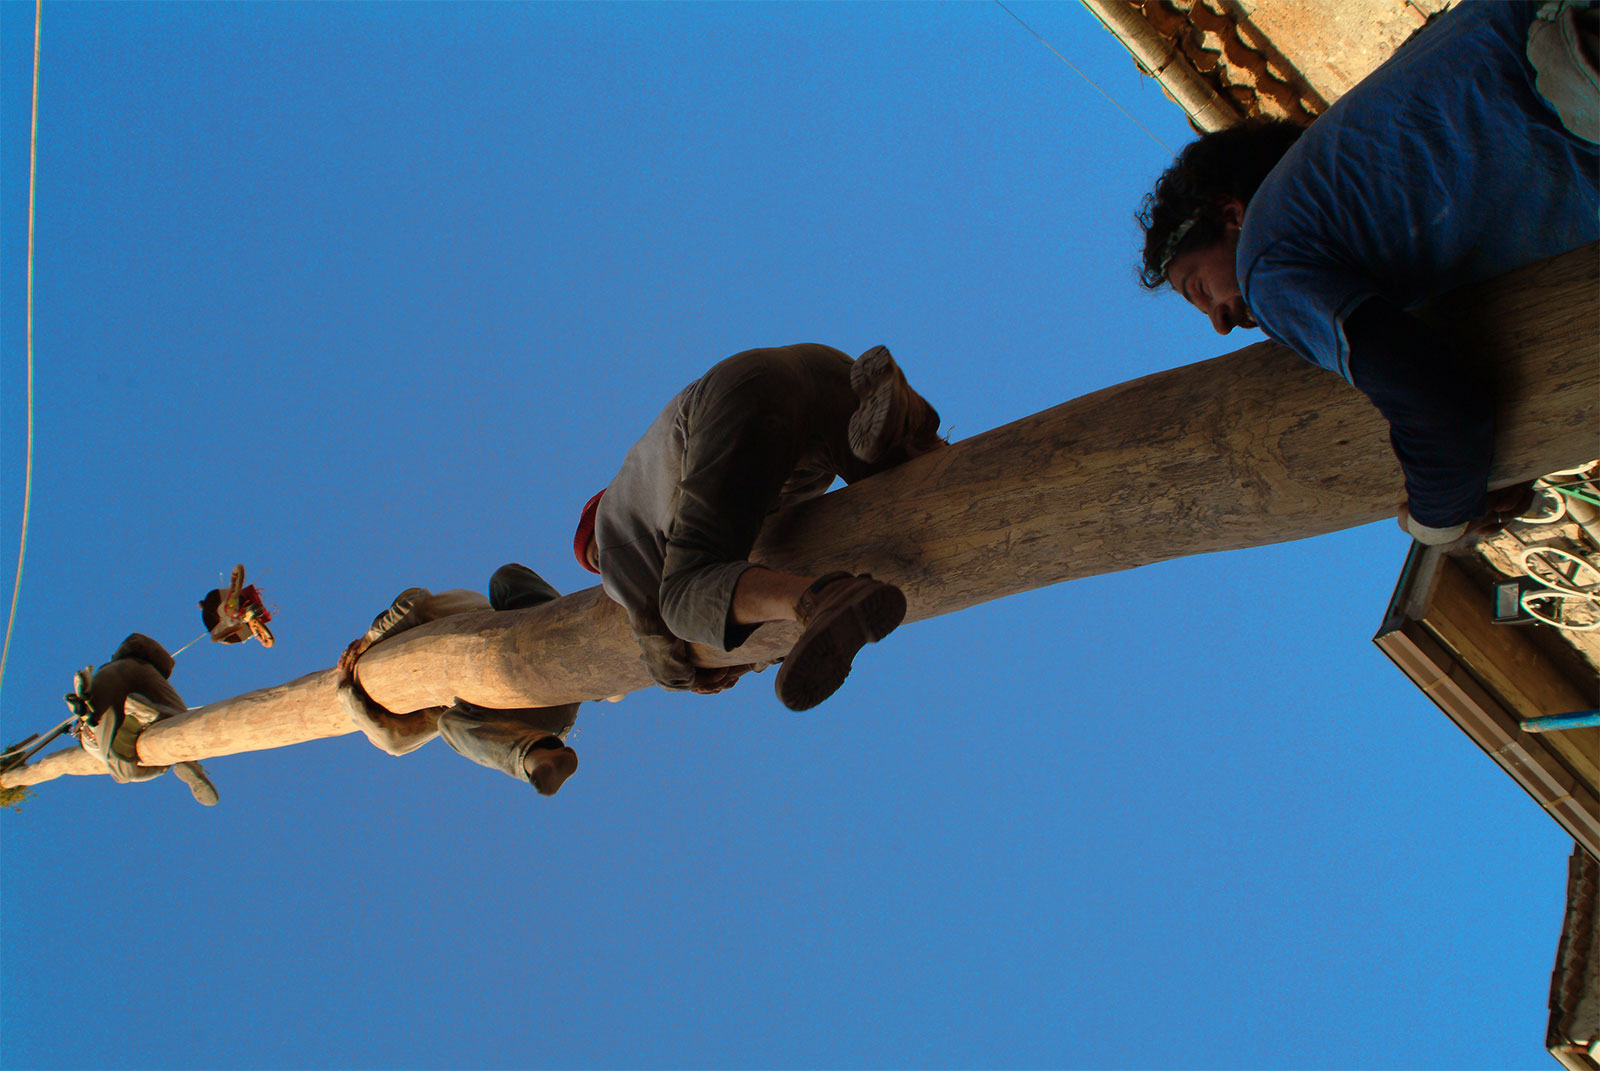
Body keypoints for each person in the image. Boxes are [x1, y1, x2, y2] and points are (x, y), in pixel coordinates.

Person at [1135, 0, 1598, 545]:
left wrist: (1437, 520)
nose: (1219, 321)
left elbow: (1438, 403)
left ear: (1231, 216)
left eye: (1200, 289)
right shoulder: (1374, 198)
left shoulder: (1265, 261)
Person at [574, 343, 944, 711]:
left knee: (680, 597)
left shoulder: (612, 523)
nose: (604, 566)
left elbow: (656, 636)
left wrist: (679, 676)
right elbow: (753, 590)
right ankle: (911, 426)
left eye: (596, 558)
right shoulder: (709, 496)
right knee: (910, 496)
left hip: (732, 404)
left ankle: (825, 597)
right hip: (820, 373)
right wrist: (752, 659)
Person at [335, 564, 580, 796]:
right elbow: (393, 741)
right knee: (452, 724)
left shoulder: (427, 620)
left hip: (543, 672)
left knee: (506, 578)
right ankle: (536, 758)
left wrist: (363, 650)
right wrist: (346, 686)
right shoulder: (434, 700)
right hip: (541, 708)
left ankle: (536, 754)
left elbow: (412, 602)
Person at [70, 633, 220, 806]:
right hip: (146, 677)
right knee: (176, 720)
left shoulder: (113, 665)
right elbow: (180, 715)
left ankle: (108, 711)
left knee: (125, 771)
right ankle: (135, 717)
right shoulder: (151, 671)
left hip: (105, 680)